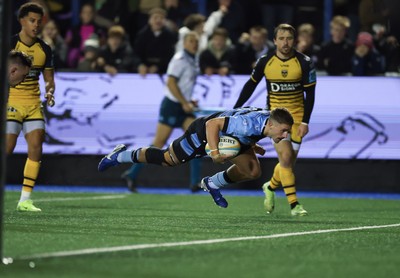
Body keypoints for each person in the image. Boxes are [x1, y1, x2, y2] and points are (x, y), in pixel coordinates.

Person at [99, 107, 294, 208]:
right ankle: (120, 155)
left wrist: (252, 144)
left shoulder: (266, 122)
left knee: (252, 170)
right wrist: (216, 153)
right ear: (272, 125)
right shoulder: (248, 124)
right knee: (168, 159)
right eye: (284, 131)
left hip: (232, 138)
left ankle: (212, 183)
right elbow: (213, 125)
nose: (286, 135)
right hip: (202, 133)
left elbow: (240, 119)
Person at [234, 24, 317, 216]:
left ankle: (270, 188)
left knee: (287, 165)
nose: (285, 42)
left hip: (297, 119)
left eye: (289, 38)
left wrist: (305, 121)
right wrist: (236, 107)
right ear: (274, 41)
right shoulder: (265, 61)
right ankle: (294, 205)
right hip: (276, 120)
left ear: (294, 40)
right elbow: (250, 85)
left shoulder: (304, 62)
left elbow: (310, 95)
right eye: (281, 38)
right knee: (286, 159)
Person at [121, 31, 200, 192]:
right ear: (184, 43)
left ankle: (195, 183)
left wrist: (188, 100)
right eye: (191, 41)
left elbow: (183, 84)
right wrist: (184, 102)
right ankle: (131, 173)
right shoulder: (180, 59)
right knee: (158, 143)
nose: (195, 44)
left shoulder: (193, 60)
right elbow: (170, 83)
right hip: (172, 105)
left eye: (196, 41)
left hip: (182, 106)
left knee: (197, 140)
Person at [7, 2, 56, 212]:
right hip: (11, 102)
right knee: (7, 149)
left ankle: (24, 200)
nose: (36, 25)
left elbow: (49, 79)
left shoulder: (44, 49)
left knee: (36, 147)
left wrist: (50, 91)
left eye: (39, 21)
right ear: (22, 21)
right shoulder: (9, 45)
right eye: (32, 20)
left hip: (34, 104)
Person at [133, 7, 177, 76]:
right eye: (155, 18)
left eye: (161, 18)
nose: (158, 20)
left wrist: (158, 66)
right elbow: (136, 53)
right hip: (145, 70)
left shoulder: (170, 35)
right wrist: (140, 65)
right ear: (149, 20)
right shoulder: (142, 34)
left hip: (164, 71)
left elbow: (170, 55)